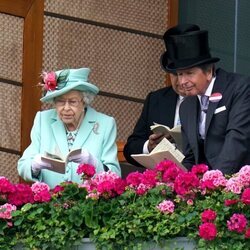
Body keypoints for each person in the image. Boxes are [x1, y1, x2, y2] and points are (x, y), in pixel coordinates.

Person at [163, 24, 250, 175]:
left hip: (239, 182)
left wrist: (213, 181)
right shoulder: (186, 106)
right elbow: (191, 157)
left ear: (209, 71)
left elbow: (237, 140)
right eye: (179, 74)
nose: (182, 81)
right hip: (208, 189)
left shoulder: (239, 88)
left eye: (189, 73)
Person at [18, 67, 121, 188]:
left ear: (84, 101)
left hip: (89, 204)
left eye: (72, 102)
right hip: (50, 202)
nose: (66, 108)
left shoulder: (105, 124)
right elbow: (23, 166)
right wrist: (34, 165)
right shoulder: (42, 120)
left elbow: (115, 176)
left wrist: (93, 163)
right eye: (61, 101)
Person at [123, 73, 186, 167]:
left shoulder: (211, 100)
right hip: (162, 176)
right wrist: (149, 146)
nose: (181, 81)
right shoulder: (156, 99)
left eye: (187, 73)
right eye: (175, 74)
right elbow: (131, 148)